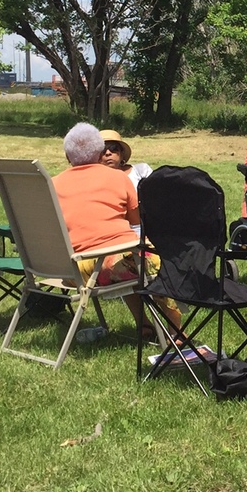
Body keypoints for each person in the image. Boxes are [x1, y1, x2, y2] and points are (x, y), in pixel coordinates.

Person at [53, 123, 180, 339]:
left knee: (129, 262)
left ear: (67, 156)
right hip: (104, 266)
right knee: (161, 261)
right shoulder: (118, 178)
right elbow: (135, 220)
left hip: (70, 271)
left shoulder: (53, 184)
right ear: (97, 153)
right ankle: (177, 333)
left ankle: (145, 326)